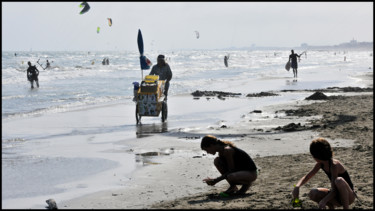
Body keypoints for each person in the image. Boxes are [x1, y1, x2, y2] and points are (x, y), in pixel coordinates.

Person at [291, 138, 356, 209]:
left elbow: (334, 190)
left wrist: (323, 201)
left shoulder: (334, 165)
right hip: (336, 196)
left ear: (316, 156)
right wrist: (297, 186)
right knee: (313, 193)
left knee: (339, 180)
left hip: (348, 197)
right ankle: (331, 207)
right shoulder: (320, 164)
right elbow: (307, 177)